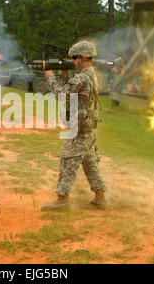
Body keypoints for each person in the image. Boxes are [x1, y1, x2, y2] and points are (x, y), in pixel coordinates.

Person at [41, 41, 106, 211]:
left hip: (80, 127)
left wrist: (51, 78)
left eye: (75, 58)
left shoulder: (82, 77)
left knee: (67, 160)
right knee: (89, 161)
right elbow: (71, 93)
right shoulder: (91, 75)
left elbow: (62, 95)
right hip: (89, 125)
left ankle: (62, 199)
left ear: (84, 57)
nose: (73, 62)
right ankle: (100, 197)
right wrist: (63, 74)